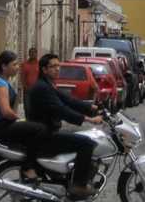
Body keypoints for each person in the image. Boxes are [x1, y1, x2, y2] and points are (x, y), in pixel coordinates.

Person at [26, 53, 103, 200]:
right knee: (87, 144)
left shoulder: (47, 85)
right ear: (44, 69)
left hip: (47, 132)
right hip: (45, 136)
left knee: (84, 140)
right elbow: (61, 110)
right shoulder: (42, 88)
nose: (57, 69)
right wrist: (89, 120)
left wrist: (91, 108)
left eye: (58, 65)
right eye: (53, 66)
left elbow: (68, 100)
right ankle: (78, 185)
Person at [0, 51, 45, 182]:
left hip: (2, 123)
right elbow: (5, 111)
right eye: (14, 64)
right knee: (40, 129)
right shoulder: (0, 84)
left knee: (32, 131)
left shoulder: (4, 81)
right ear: (4, 66)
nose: (18, 67)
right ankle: (28, 168)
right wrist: (19, 119)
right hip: (1, 125)